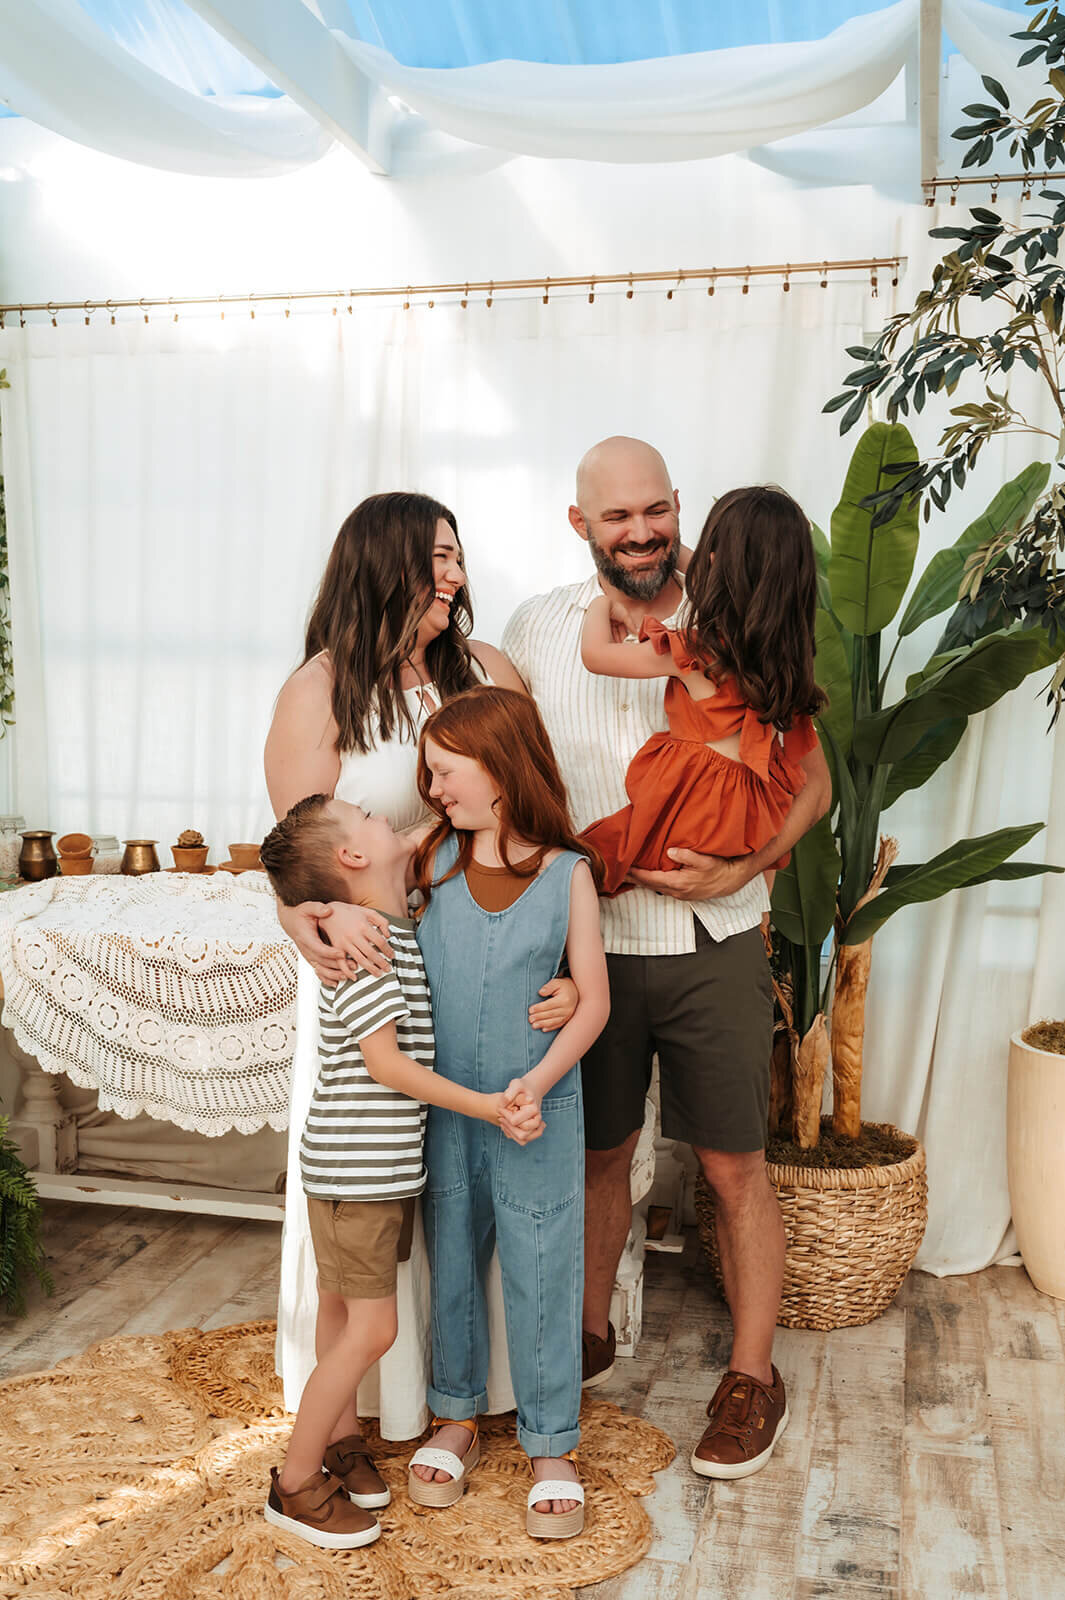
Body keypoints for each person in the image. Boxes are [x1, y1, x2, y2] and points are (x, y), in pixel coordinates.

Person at [501, 438, 832, 1481]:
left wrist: (749, 866)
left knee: (735, 1165)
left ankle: (750, 1377)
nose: (641, 531)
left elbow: (811, 787)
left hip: (713, 944)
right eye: (617, 518)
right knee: (598, 1153)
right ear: (581, 524)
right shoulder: (541, 627)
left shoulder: (737, 628)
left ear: (682, 513)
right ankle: (587, 1335)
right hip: (594, 946)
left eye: (657, 512)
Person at [264, 491, 574, 1441]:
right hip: (373, 978)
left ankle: (477, 1397)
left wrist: (562, 958)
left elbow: (533, 812)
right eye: (438, 556)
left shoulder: (487, 671)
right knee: (374, 1193)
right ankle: (356, 1420)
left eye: (459, 556)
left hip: (488, 962)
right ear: (384, 563)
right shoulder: (317, 691)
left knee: (475, 1170)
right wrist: (308, 927)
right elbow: (298, 860)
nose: (456, 574)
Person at [259, 794, 542, 1549]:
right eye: (368, 817)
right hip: (362, 1169)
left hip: (347, 1163)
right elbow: (384, 1063)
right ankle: (294, 1482)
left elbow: (429, 832)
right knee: (373, 1325)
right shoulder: (370, 943)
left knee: (341, 1313)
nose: (389, 818)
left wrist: (314, 904)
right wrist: (485, 1107)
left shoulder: (385, 923)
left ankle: (341, 1438)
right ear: (354, 857)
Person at [406, 686, 610, 1538]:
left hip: (537, 1112)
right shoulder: (428, 861)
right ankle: (454, 1414)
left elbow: (592, 1001)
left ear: (497, 767)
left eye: (445, 770)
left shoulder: (568, 874)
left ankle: (550, 1442)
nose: (432, 786)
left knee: (543, 1269)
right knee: (450, 1255)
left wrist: (538, 1079)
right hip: (448, 1108)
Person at [579, 486, 825, 897]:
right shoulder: (781, 660)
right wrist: (672, 546)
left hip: (695, 813)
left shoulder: (693, 653)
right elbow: (716, 575)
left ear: (715, 560)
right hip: (739, 823)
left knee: (583, 858)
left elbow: (595, 655)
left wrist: (600, 607)